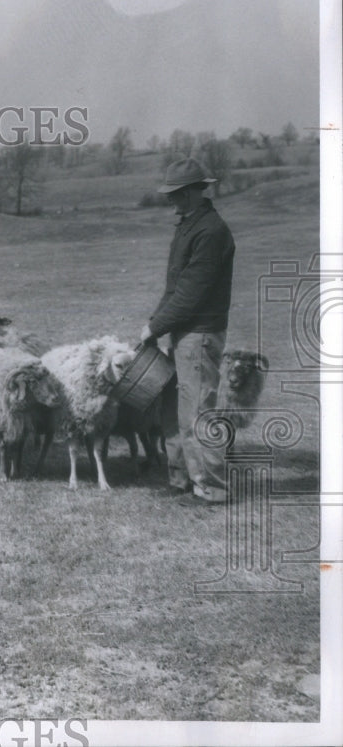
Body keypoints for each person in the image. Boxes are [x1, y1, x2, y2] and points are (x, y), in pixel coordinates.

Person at [141, 158, 235, 506]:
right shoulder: (187, 226)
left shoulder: (211, 231)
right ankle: (180, 479)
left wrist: (154, 326)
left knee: (197, 413)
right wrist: (156, 325)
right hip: (180, 332)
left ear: (199, 191)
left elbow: (191, 293)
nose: (173, 200)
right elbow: (174, 288)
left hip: (199, 333)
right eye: (171, 194)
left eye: (179, 193)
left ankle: (210, 488)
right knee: (172, 411)